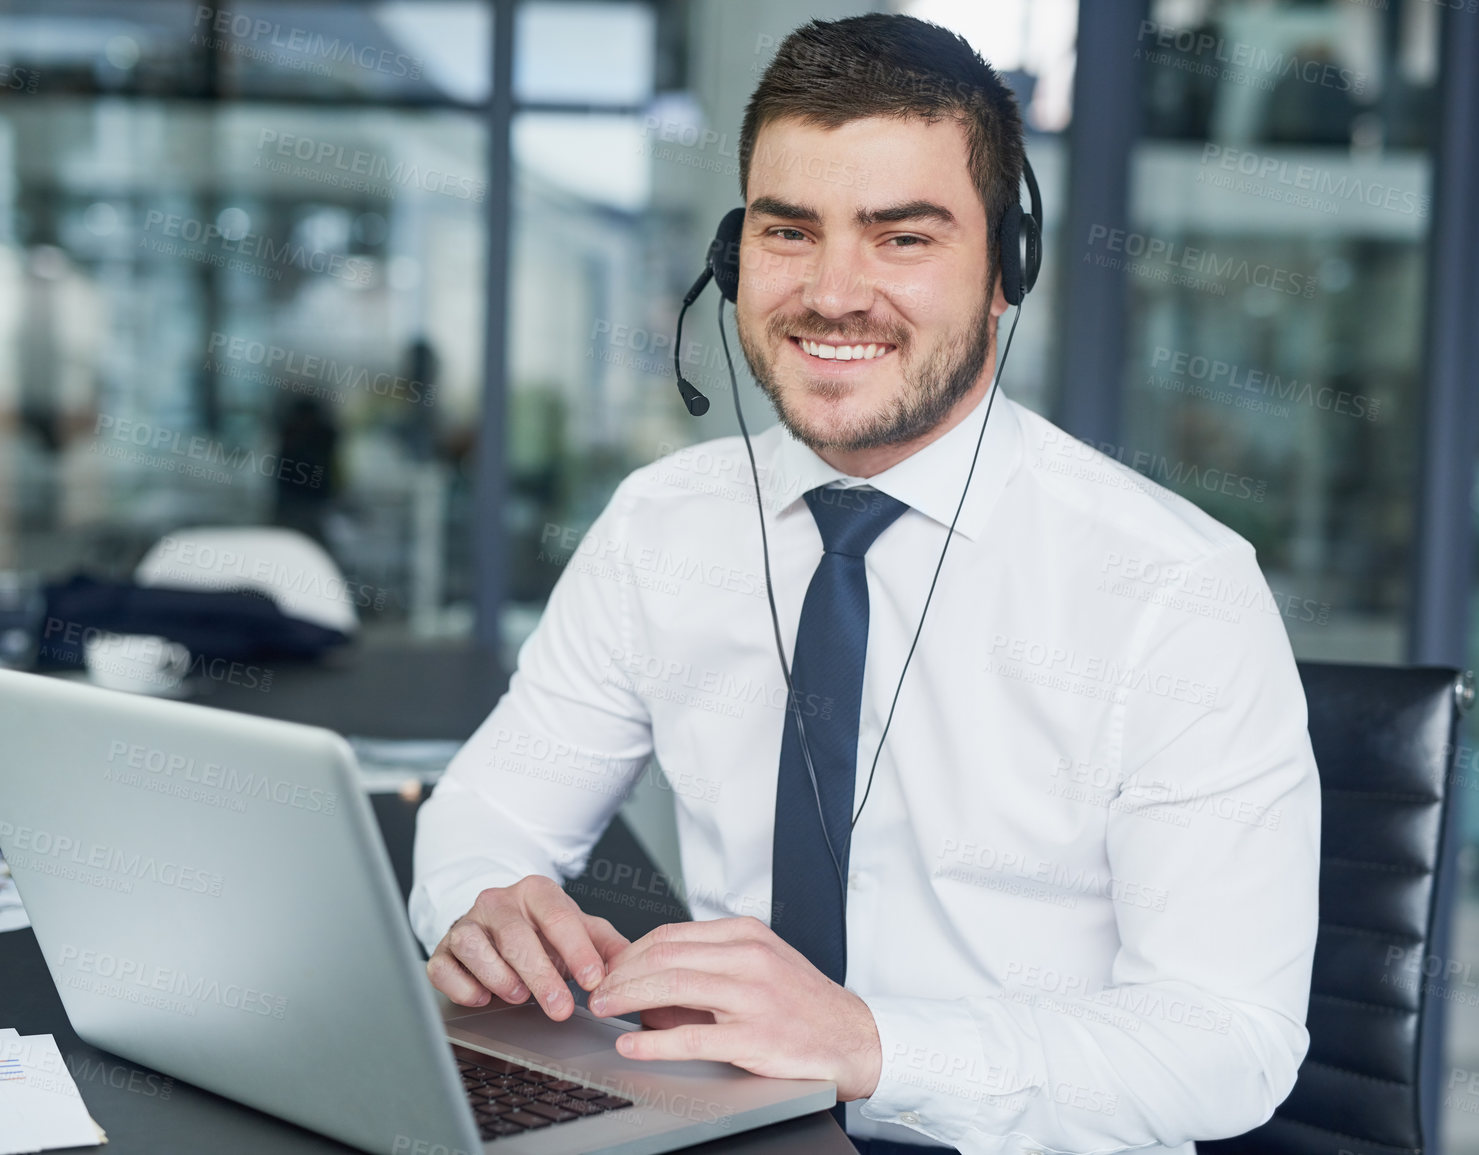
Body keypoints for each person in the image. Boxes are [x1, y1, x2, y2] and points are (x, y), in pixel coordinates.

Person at [409, 15, 1319, 1155]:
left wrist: (872, 1045)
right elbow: (487, 815)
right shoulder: (662, 526)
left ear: (1006, 272)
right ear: (736, 261)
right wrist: (488, 906)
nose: (835, 293)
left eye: (902, 238)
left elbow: (1228, 1045)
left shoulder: (1174, 592)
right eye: (791, 232)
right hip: (721, 1132)